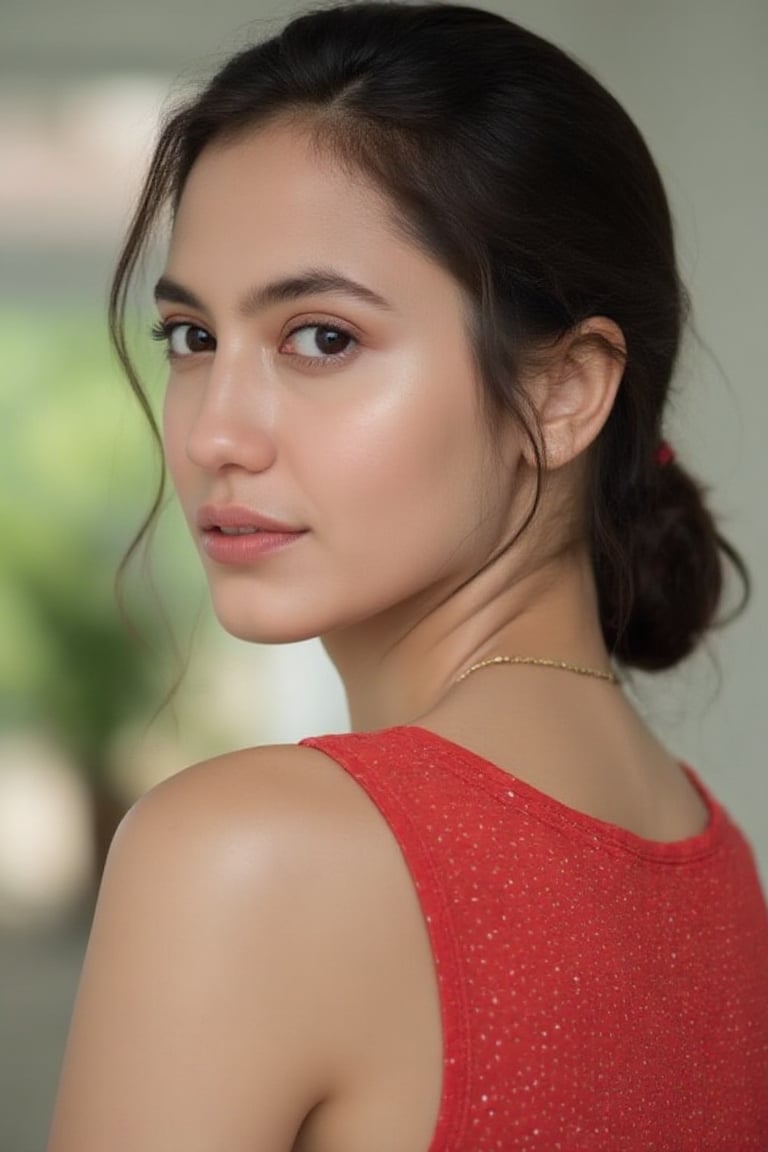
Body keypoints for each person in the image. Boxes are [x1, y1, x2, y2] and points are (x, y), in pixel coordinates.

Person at [47, 4, 768, 1149]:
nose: (214, 434)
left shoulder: (243, 855)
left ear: (564, 391)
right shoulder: (716, 863)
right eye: (192, 339)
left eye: (321, 337)